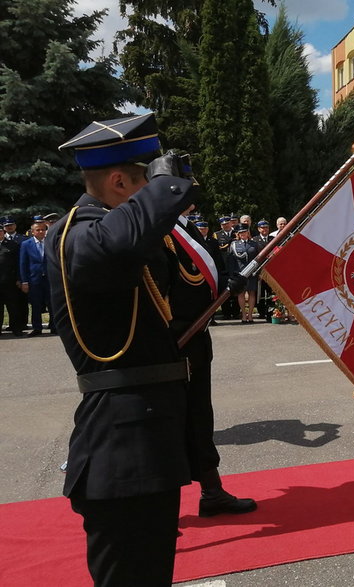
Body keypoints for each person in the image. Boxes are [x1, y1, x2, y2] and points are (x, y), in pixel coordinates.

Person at [48, 113, 196, 585]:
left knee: (151, 572)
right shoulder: (78, 232)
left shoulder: (116, 233)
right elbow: (118, 245)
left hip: (148, 437)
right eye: (143, 182)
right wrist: (166, 188)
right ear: (117, 181)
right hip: (120, 443)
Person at [167, 213, 257, 517]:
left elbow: (201, 274)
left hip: (196, 336)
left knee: (199, 418)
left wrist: (224, 286)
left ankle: (211, 490)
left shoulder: (185, 225)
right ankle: (162, 509)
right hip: (173, 338)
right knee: (168, 423)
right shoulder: (156, 226)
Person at [19, 220, 52, 336]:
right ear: (33, 232)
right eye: (38, 230)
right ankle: (37, 328)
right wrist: (24, 281)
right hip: (34, 280)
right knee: (36, 304)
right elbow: (23, 264)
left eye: (43, 229)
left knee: (51, 303)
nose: (41, 231)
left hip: (49, 279)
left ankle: (54, 326)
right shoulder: (26, 244)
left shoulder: (50, 242)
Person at [227, 224, 262, 323]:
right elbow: (231, 260)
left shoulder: (254, 244)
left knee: (252, 293)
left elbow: (259, 259)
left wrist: (259, 272)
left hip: (252, 273)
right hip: (239, 273)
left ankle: (250, 315)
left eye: (244, 232)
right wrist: (231, 274)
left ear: (248, 232)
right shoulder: (234, 244)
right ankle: (243, 314)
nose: (243, 234)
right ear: (238, 234)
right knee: (241, 294)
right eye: (241, 232)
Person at [0, 224, 26, 336]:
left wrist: (19, 279)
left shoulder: (13, 245)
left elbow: (18, 264)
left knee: (13, 307)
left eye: (0, 231)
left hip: (10, 282)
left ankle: (16, 329)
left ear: (3, 232)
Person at [214, 216, 239, 320]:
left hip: (235, 265)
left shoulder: (237, 233)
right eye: (223, 224)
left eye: (227, 223)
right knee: (225, 290)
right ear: (221, 225)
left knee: (236, 289)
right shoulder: (217, 235)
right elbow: (218, 249)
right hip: (223, 266)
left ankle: (236, 312)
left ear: (231, 223)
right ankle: (226, 313)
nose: (226, 225)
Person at [253, 220, 274, 321]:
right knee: (260, 293)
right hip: (260, 270)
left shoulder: (273, 239)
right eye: (262, 228)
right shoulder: (255, 240)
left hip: (271, 270)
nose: (264, 229)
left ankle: (271, 312)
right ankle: (261, 312)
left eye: (266, 227)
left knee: (271, 292)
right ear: (258, 229)